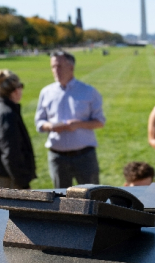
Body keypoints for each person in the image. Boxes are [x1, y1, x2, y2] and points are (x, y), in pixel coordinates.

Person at [35, 50, 105, 188]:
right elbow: (39, 123)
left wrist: (79, 124)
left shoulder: (88, 91)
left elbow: (100, 122)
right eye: (53, 67)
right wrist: (52, 126)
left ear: (71, 67)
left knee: (92, 197)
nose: (55, 70)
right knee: (61, 199)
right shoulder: (46, 92)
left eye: (59, 66)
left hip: (84, 156)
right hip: (57, 157)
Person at [0, 70, 36, 189]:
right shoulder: (7, 114)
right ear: (15, 90)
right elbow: (10, 153)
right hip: (7, 180)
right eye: (20, 86)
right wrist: (22, 182)